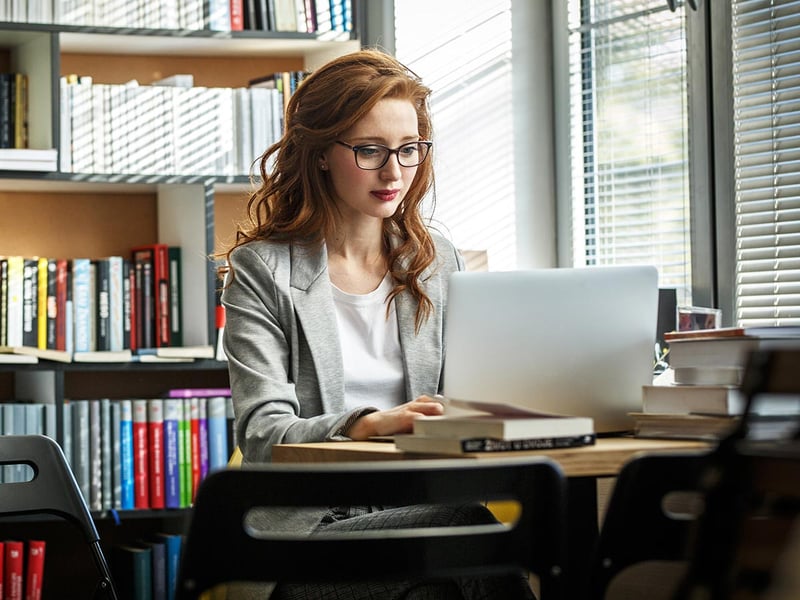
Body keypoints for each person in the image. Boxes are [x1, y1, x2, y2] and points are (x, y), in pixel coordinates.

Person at [220, 48, 536, 600]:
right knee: (462, 526)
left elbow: (464, 397)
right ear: (319, 153)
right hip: (307, 535)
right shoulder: (262, 270)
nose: (394, 172)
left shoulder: (436, 259)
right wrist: (365, 424)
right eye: (369, 150)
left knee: (442, 578)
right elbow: (264, 436)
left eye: (408, 149)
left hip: (412, 506)